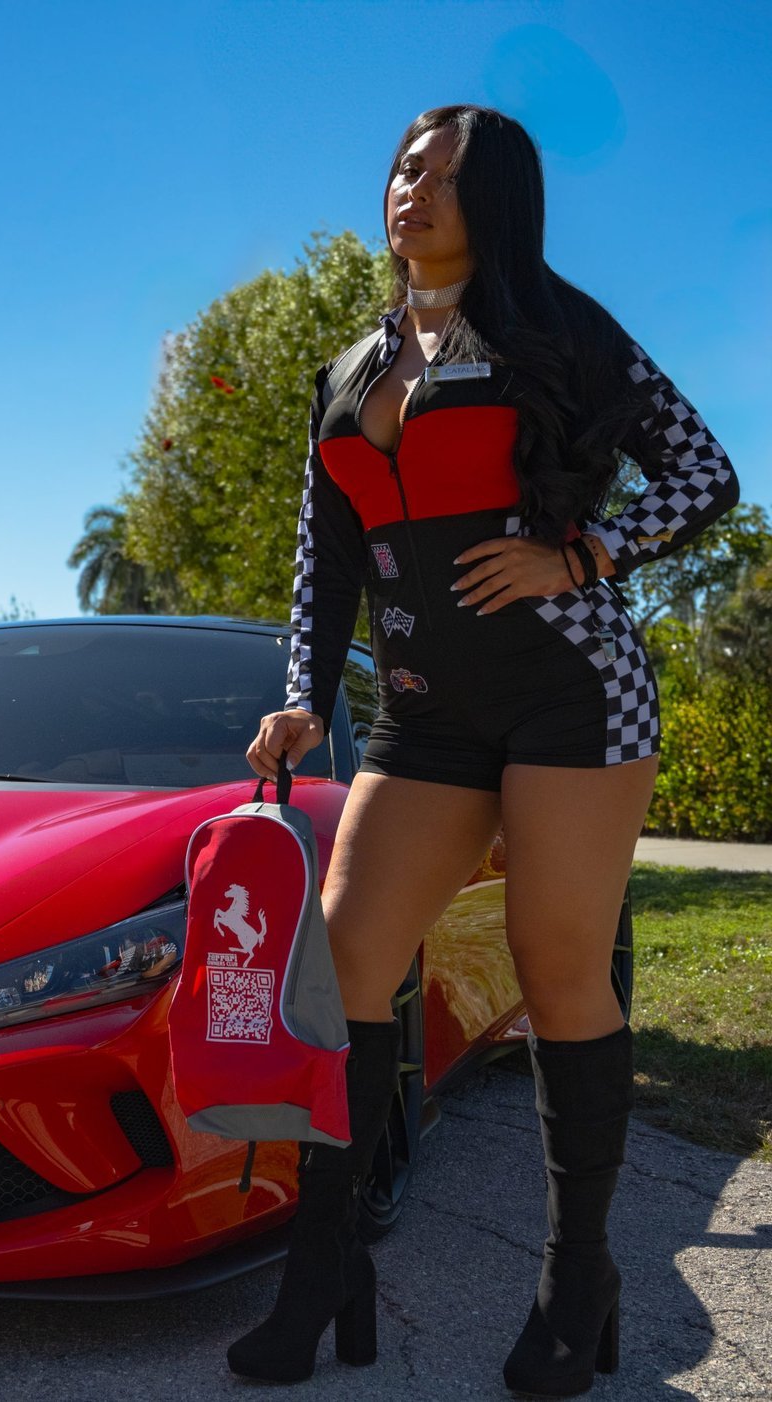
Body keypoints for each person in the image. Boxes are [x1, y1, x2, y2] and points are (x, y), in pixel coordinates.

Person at [236, 105, 739, 1394]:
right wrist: (303, 696)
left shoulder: (560, 330)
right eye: (407, 168)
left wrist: (584, 555)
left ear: (498, 201)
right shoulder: (347, 371)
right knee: (347, 961)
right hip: (426, 709)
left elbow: (703, 473)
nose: (415, 191)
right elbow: (323, 557)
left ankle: (577, 1285)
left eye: (448, 178)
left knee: (556, 969)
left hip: (574, 697)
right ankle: (324, 1268)